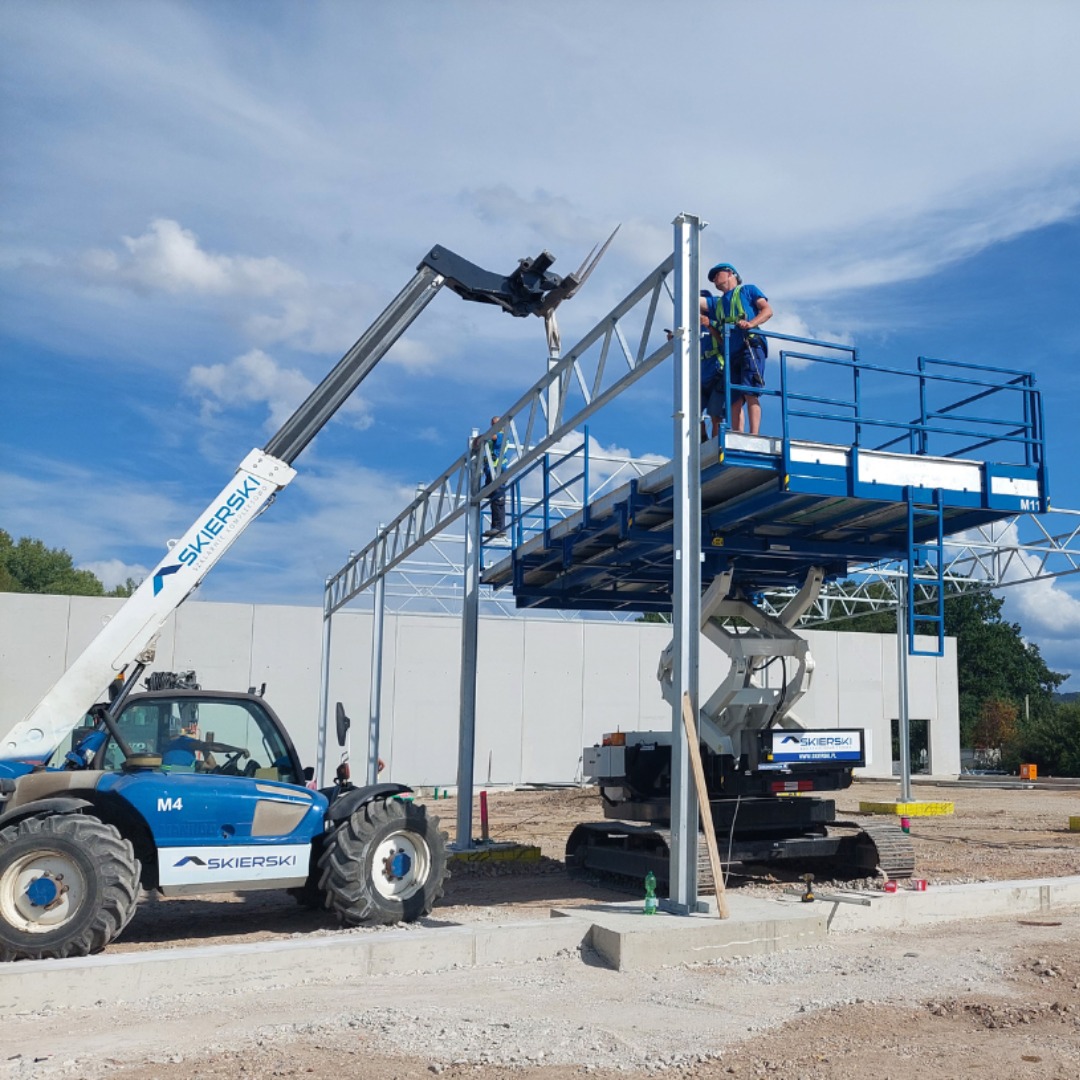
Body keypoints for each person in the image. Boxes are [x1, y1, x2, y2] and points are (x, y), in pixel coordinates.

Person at [700, 263, 772, 434]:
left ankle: (754, 434)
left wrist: (750, 324)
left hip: (750, 345)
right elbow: (696, 302)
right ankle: (737, 434)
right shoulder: (718, 304)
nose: (714, 280)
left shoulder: (748, 290)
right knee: (734, 397)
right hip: (732, 352)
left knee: (750, 391)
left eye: (717, 274)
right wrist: (710, 326)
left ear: (730, 273)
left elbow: (767, 310)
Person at [475, 416, 508, 541]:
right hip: (491, 473)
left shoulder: (501, 436)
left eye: (496, 424)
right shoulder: (491, 438)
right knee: (488, 496)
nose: (493, 426)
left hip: (498, 473)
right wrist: (477, 440)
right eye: (492, 424)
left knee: (498, 500)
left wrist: (479, 438)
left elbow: (492, 437)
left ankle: (499, 528)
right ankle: (496, 527)